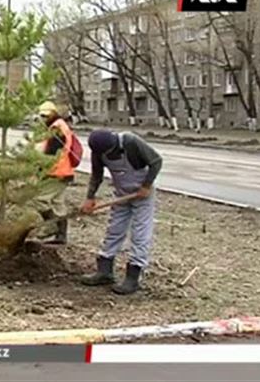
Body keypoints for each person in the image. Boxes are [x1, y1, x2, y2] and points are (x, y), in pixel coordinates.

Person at [80, 129, 163, 295]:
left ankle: (133, 277)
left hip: (142, 195)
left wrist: (146, 185)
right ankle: (105, 271)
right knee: (114, 229)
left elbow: (156, 161)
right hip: (122, 194)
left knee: (140, 234)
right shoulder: (99, 151)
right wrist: (90, 197)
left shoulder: (130, 142)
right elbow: (97, 174)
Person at [34, 101, 76, 245]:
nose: (43, 118)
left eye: (46, 115)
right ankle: (61, 236)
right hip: (64, 171)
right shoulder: (59, 125)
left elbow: (51, 154)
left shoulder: (57, 128)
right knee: (58, 204)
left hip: (56, 172)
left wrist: (40, 169)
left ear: (53, 113)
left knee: (39, 199)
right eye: (42, 116)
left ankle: (51, 226)